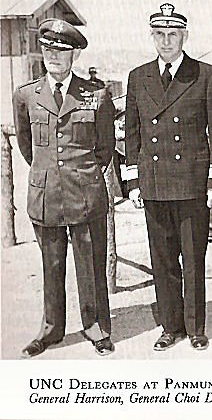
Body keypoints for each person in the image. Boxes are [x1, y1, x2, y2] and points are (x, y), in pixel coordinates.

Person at [125, 3, 212, 351]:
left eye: (173, 35)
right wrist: (133, 182)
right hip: (154, 182)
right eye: (160, 35)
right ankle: (171, 326)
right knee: (163, 259)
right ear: (152, 37)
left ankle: (195, 327)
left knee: (193, 256)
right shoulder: (138, 77)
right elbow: (133, 133)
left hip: (192, 183)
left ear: (184, 36)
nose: (166, 41)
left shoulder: (205, 74)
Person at [13, 18, 116, 357]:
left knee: (91, 266)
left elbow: (104, 149)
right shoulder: (26, 95)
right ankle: (51, 330)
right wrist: (50, 175)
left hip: (85, 195)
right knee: (51, 266)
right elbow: (28, 149)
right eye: (48, 50)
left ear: (75, 55)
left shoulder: (96, 95)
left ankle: (96, 327)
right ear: (42, 53)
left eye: (62, 51)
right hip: (46, 196)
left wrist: (81, 175)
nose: (54, 57)